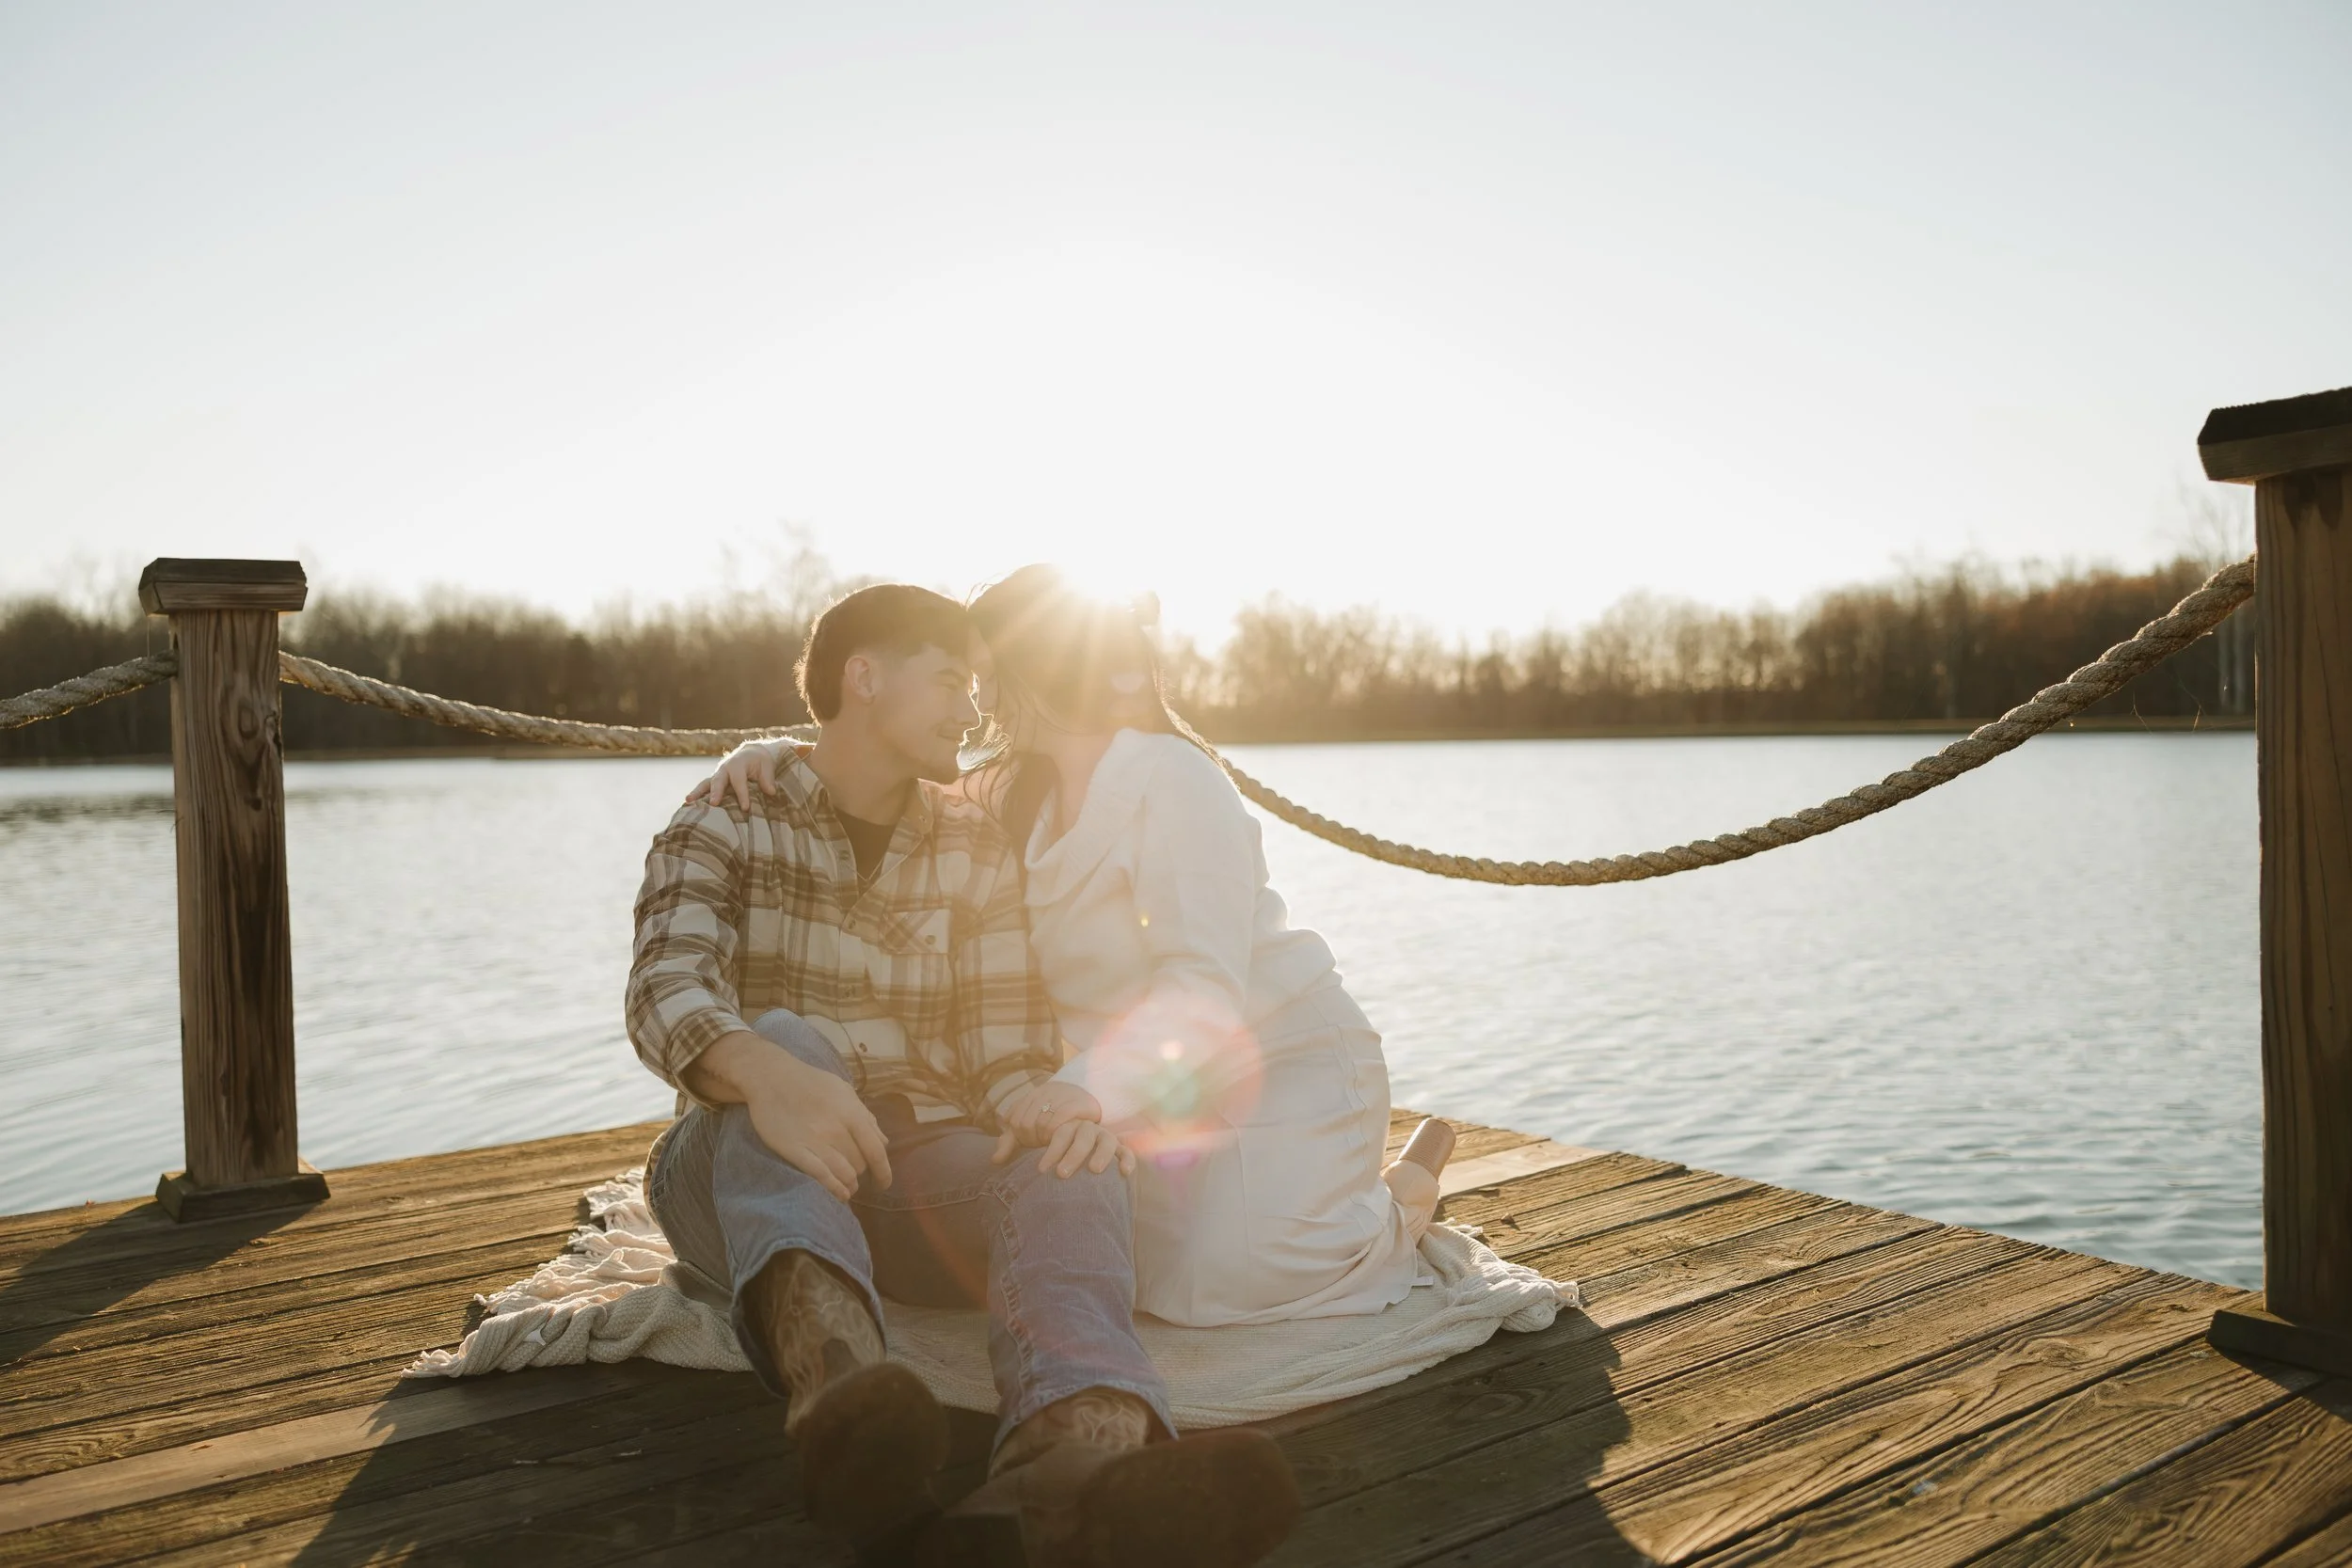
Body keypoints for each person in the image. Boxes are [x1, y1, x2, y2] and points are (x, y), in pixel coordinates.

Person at [628, 583, 1299, 1566]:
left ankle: (1077, 1462)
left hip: (909, 1179)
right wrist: (767, 1071)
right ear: (864, 678)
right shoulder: (727, 818)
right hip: (733, 1178)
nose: (975, 710)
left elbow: (1002, 1047)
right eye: (951, 681)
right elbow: (662, 989)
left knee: (1068, 1154)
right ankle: (843, 1407)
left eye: (980, 688)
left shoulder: (972, 840)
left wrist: (1050, 1103)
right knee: (786, 1035)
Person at [691, 566, 1440, 1335]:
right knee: (1103, 1241)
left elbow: (1203, 991)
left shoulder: (1175, 780)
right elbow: (872, 765)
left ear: (1036, 670)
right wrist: (769, 754)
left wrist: (1079, 1091)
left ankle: (1402, 1198)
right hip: (1139, 1085)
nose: (971, 704)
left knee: (1224, 1283)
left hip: (1275, 1063)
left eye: (981, 679)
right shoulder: (1015, 789)